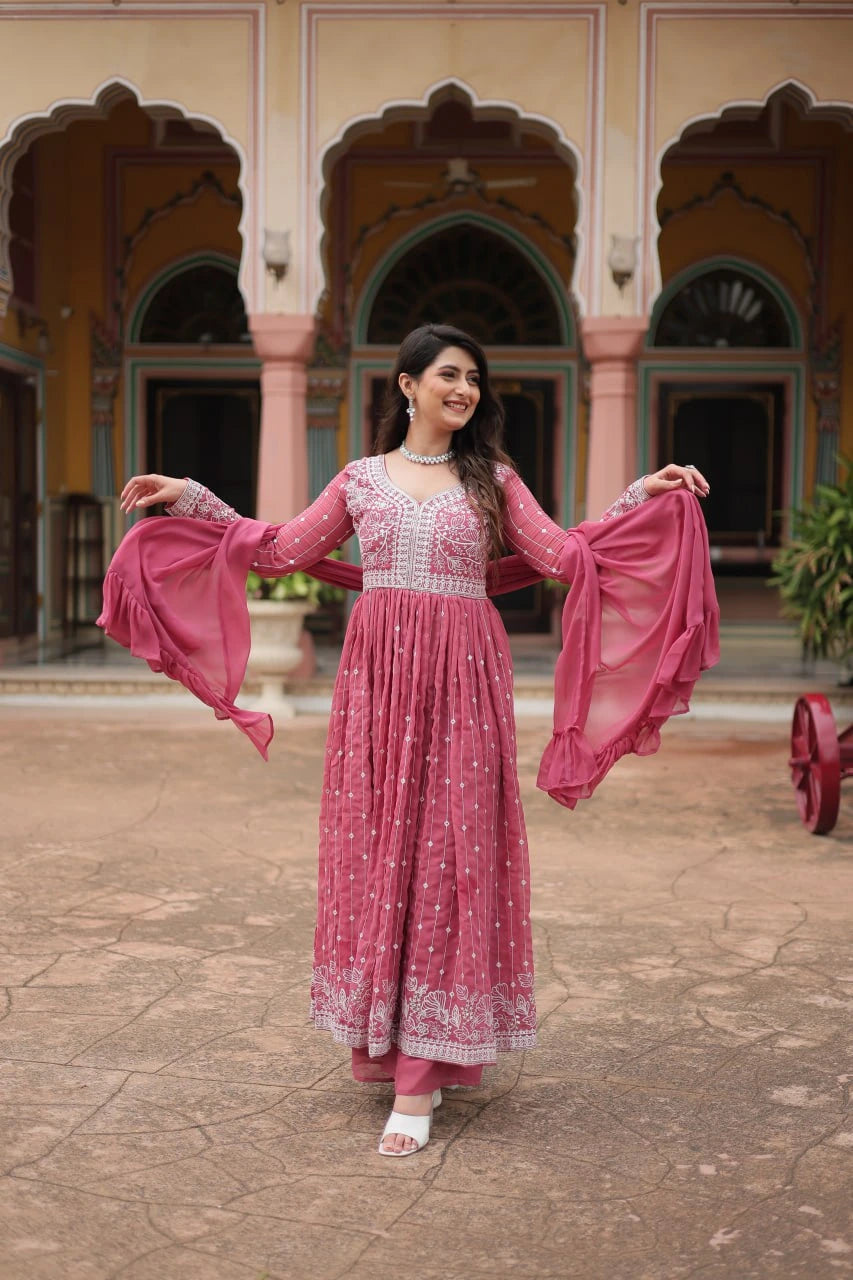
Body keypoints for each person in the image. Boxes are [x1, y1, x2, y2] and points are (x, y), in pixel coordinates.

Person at [117, 323, 711, 1157]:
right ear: (406, 385)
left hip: (466, 684)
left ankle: (422, 1075)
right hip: (376, 688)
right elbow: (282, 551)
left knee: (449, 853)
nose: (462, 390)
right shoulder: (361, 480)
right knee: (380, 852)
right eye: (446, 375)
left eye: (472, 378)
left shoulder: (494, 481)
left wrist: (642, 498)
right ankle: (388, 1042)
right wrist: (190, 496)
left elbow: (569, 561)